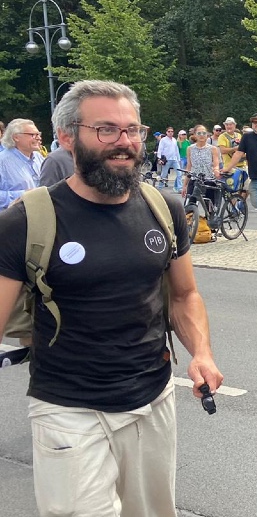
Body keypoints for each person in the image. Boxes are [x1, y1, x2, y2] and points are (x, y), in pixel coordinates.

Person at [0, 80, 223, 517]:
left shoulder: (164, 207)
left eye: (132, 130)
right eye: (106, 130)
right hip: (67, 409)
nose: (124, 143)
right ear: (66, 137)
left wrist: (202, 353)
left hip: (152, 401)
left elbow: (184, 295)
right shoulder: (28, 219)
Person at [0, 119, 44, 210]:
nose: (38, 138)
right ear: (16, 137)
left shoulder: (39, 157)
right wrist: (23, 195)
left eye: (39, 134)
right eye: (33, 135)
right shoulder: (2, 161)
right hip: (15, 219)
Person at [182, 124, 223, 223]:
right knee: (189, 205)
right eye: (199, 133)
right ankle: (189, 229)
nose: (201, 135)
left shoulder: (212, 148)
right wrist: (184, 185)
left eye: (204, 133)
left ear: (207, 135)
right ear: (195, 135)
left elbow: (216, 163)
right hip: (194, 179)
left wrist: (216, 170)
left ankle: (211, 227)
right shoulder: (190, 148)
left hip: (208, 180)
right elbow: (189, 166)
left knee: (209, 206)